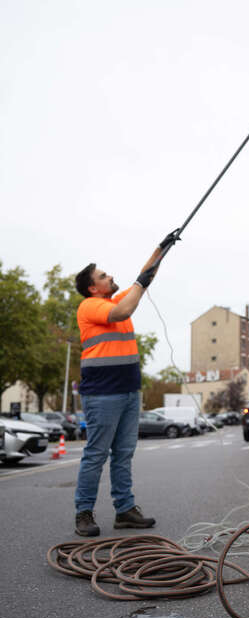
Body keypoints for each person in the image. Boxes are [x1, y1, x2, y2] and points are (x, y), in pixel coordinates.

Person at [72, 229, 179, 537]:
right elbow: (125, 308)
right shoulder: (91, 307)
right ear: (93, 288)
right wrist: (142, 282)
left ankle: (125, 511)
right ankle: (83, 512)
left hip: (130, 392)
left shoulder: (114, 299)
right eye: (104, 276)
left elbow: (141, 280)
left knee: (124, 453)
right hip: (103, 394)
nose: (110, 276)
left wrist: (161, 250)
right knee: (96, 453)